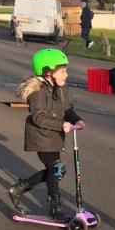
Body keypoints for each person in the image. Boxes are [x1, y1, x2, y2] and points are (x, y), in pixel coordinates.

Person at [7, 49, 85, 220]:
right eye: (62, 70)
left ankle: (19, 188)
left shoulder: (61, 88)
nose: (66, 74)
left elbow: (67, 109)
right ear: (48, 71)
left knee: (54, 170)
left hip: (54, 137)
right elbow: (39, 117)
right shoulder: (37, 91)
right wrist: (62, 124)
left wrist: (76, 120)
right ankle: (54, 207)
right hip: (41, 136)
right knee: (56, 169)